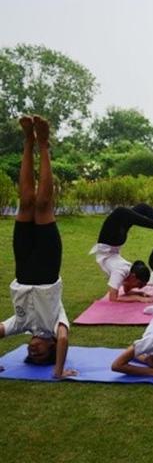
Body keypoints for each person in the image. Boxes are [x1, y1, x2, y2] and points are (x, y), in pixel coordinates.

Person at [0, 116, 76, 378]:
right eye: (41, 352)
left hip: (23, 268)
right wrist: (58, 371)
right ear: (52, 346)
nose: (34, 350)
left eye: (31, 354)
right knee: (43, 205)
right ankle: (43, 144)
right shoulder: (57, 326)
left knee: (25, 202)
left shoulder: (20, 324)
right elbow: (65, 339)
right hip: (46, 267)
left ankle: (27, 142)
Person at [92, 204, 153, 302]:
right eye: (140, 284)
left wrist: (138, 295)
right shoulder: (123, 272)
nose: (139, 288)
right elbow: (118, 295)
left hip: (110, 242)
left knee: (122, 212)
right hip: (112, 243)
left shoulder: (122, 273)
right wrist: (138, 297)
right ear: (133, 276)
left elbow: (118, 295)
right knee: (139, 209)